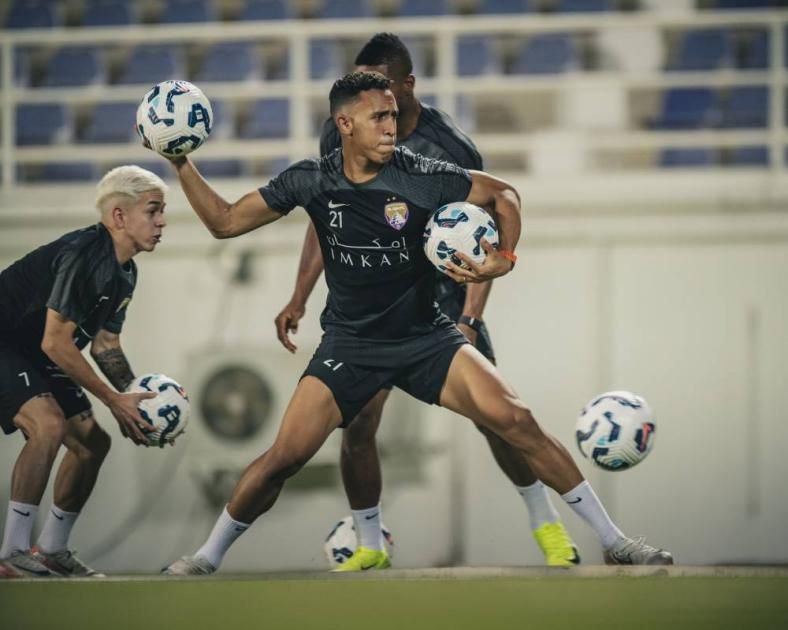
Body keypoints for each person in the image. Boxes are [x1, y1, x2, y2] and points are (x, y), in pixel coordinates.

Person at [162, 71, 672, 575]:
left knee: (517, 421)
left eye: (393, 114)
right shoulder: (311, 179)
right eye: (378, 117)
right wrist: (180, 162)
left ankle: (615, 541)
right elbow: (224, 222)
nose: (391, 126)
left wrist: (505, 257)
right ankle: (206, 557)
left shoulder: (419, 175)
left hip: (426, 339)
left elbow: (503, 194)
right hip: (351, 345)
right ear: (345, 124)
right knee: (284, 457)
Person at [273, 33, 578, 569]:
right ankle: (370, 545)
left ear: (408, 85)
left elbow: (485, 239)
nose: (373, 101)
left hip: (442, 303)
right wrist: (300, 294)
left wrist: (470, 318)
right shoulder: (341, 132)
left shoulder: (451, 147)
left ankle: (546, 524)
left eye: (382, 88)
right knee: (357, 423)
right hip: (374, 308)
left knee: (498, 421)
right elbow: (327, 217)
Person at [0, 165, 167, 578]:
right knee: (48, 425)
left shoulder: (126, 271)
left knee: (92, 443)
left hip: (34, 352)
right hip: (8, 343)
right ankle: (12, 552)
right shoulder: (83, 255)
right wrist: (113, 400)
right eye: (153, 211)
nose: (162, 221)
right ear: (119, 216)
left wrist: (139, 401)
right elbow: (56, 343)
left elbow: (106, 345)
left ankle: (52, 549)